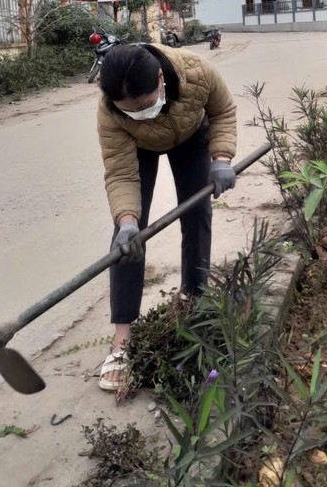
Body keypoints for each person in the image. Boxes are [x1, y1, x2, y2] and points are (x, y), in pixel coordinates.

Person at [96, 42, 237, 392]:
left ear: (160, 78)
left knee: (197, 214)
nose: (140, 113)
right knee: (127, 240)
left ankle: (194, 299)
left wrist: (221, 157)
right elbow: (120, 173)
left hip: (191, 138)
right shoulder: (112, 113)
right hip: (138, 150)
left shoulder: (197, 72)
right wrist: (128, 220)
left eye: (144, 106)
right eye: (129, 111)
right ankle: (122, 338)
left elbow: (223, 110)